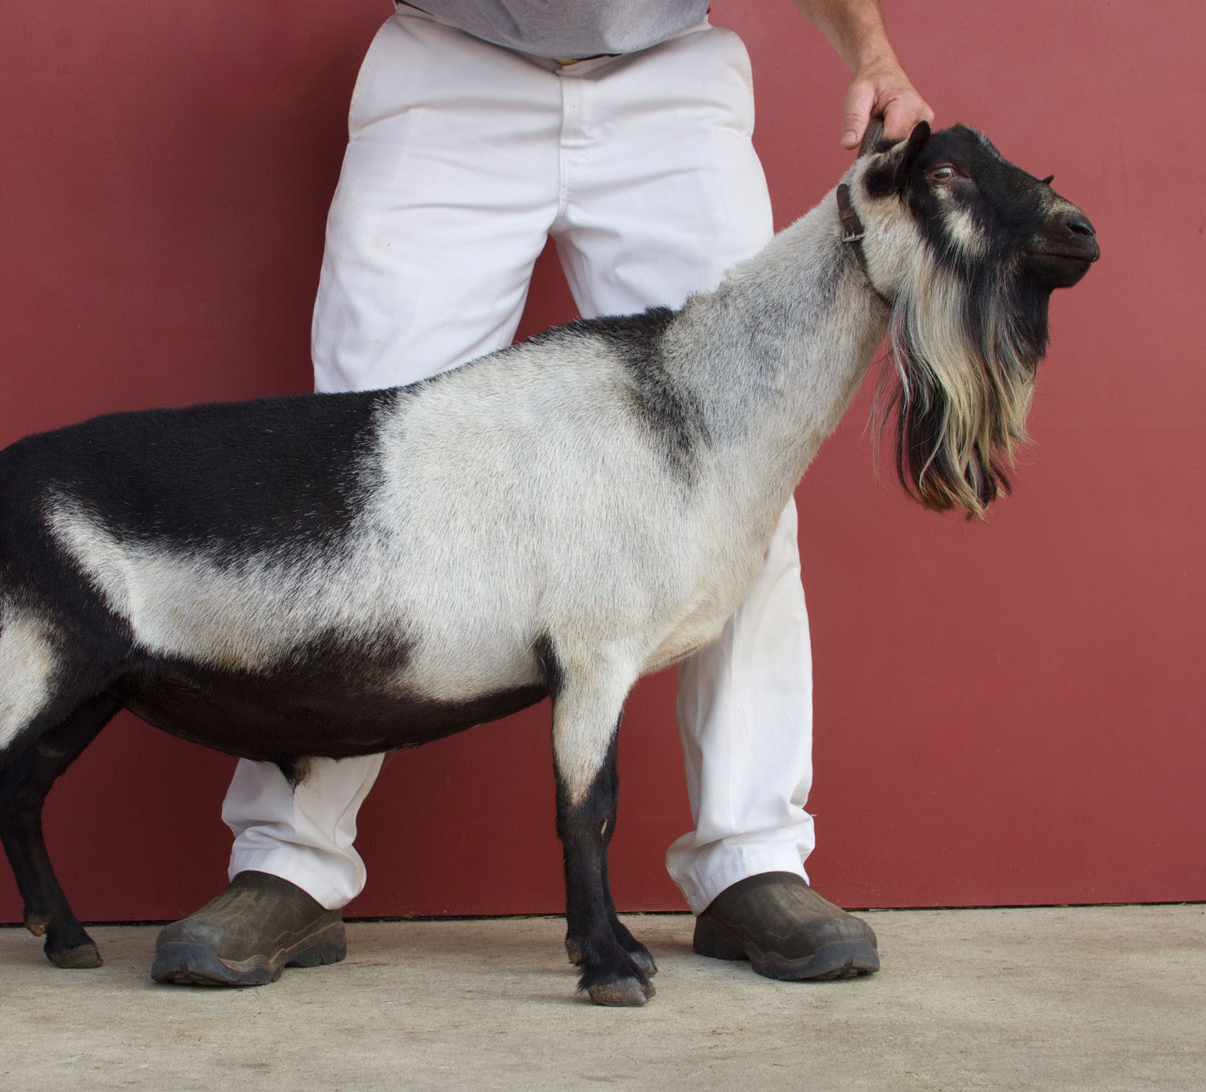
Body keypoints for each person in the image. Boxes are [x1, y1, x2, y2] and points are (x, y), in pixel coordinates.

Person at [150, 0, 932, 989]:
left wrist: (873, 52)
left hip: (668, 81)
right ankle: (288, 860)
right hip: (448, 73)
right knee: (356, 474)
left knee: (742, 473)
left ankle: (752, 858)